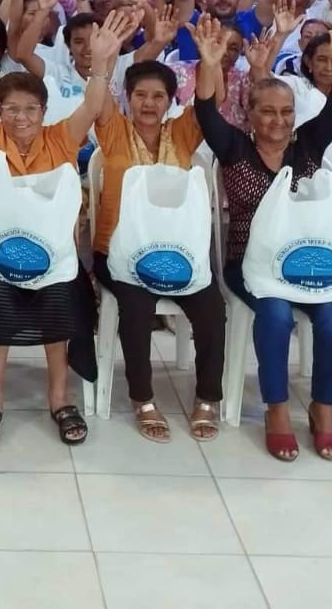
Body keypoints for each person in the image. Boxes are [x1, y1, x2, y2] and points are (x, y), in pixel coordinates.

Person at [0, 0, 137, 448]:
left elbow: (91, 105)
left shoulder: (61, 139)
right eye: (11, 109)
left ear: (43, 113)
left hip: (55, 263)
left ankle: (59, 397)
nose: (21, 118)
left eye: (30, 109)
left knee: (62, 296)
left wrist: (102, 63)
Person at [194, 14, 332, 461]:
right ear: (250, 114)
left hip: (309, 262)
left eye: (286, 112)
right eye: (267, 111)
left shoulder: (305, 145)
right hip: (249, 265)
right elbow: (206, 112)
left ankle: (323, 410)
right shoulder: (234, 147)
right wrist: (210, 66)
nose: (278, 120)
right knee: (275, 315)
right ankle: (278, 410)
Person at [89, 57, 223, 443]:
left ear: (170, 101)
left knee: (212, 307)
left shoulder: (182, 133)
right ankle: (142, 399)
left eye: (158, 96)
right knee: (136, 307)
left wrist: (210, 63)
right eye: (141, 95)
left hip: (179, 256)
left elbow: (207, 104)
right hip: (118, 255)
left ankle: (207, 397)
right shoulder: (114, 130)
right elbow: (97, 100)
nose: (149, 103)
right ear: (128, 98)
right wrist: (105, 57)